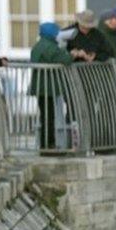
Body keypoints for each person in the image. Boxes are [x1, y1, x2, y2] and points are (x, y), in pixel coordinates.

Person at [30, 22, 82, 150]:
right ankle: (48, 144)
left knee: (45, 116)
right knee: (49, 117)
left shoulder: (38, 45)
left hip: (40, 86)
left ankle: (45, 143)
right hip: (48, 87)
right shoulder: (50, 47)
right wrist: (72, 55)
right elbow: (64, 60)